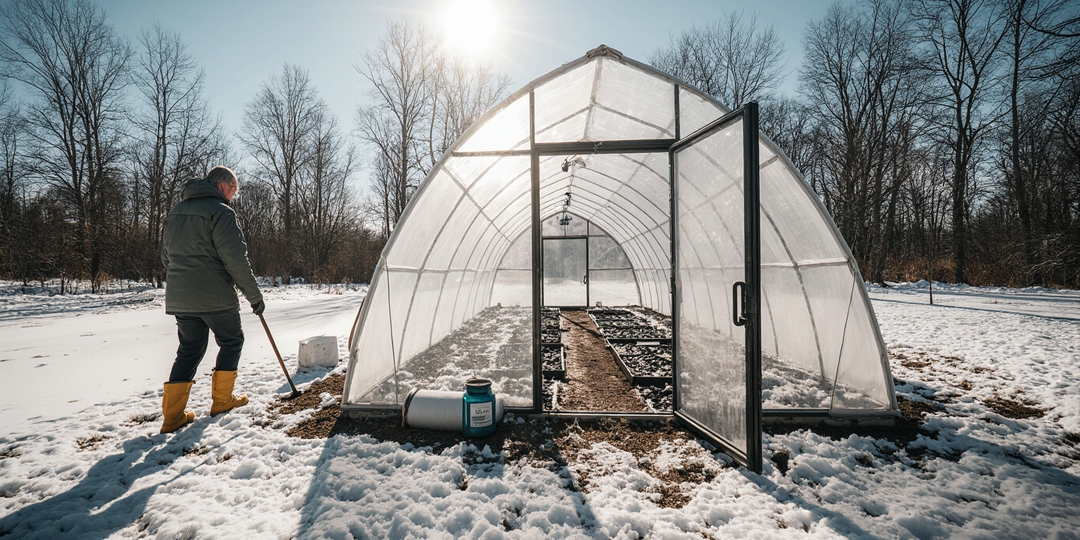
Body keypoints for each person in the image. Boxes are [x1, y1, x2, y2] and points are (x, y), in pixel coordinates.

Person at [158, 166, 265, 434]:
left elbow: (166, 257)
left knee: (189, 350)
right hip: (215, 295)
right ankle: (222, 401)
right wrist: (254, 297)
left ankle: (172, 417)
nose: (232, 197)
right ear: (221, 185)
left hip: (181, 297)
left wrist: (183, 280)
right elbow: (235, 260)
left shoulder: (176, 211)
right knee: (232, 341)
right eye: (232, 191)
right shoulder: (221, 212)